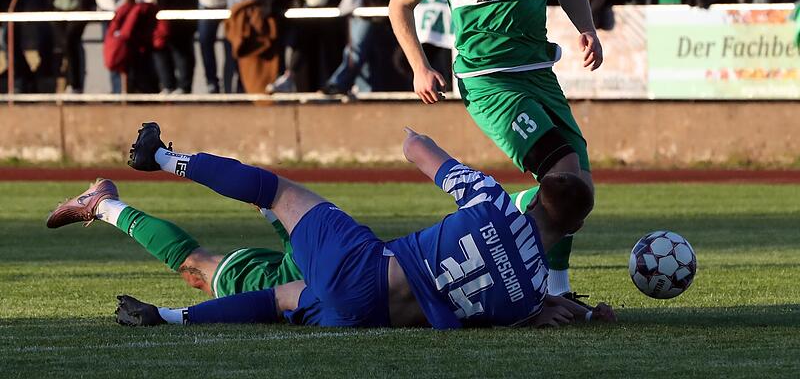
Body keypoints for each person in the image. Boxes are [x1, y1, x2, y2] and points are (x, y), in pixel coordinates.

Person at [106, 122, 612, 328]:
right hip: (366, 317)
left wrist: (412, 135)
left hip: (361, 266)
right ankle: (169, 317)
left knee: (277, 192)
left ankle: (162, 157)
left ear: (536, 194)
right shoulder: (527, 299)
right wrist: (584, 315)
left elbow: (416, 150)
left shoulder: (493, 202)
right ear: (575, 230)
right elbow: (526, 299)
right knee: (283, 298)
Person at [388, 0, 603, 297]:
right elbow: (398, 6)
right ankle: (544, 279)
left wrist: (588, 29)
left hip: (539, 73)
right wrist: (419, 68)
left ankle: (558, 286)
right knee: (562, 176)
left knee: (579, 192)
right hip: (488, 83)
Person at [47, 177, 302, 300]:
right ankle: (104, 205)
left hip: (298, 272)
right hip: (291, 280)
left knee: (197, 271)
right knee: (195, 268)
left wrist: (272, 211)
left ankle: (105, 205)